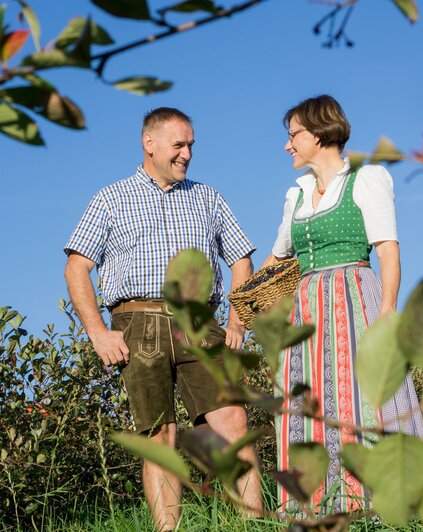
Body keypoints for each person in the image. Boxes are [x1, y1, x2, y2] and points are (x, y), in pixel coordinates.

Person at [63, 107, 263, 530]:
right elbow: (76, 267)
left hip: (199, 322)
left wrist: (237, 323)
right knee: (160, 437)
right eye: (179, 144)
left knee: (235, 423)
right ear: (149, 143)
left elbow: (242, 259)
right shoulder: (111, 197)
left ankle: (253, 525)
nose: (187, 154)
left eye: (191, 145)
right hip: (138, 323)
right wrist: (98, 332)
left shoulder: (208, 197)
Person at [261, 95, 423, 514]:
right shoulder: (295, 195)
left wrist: (387, 311)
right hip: (304, 309)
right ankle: (316, 505)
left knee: (362, 397)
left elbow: (388, 249)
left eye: (293, 135)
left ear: (318, 133)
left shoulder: (366, 179)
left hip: (354, 298)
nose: (287, 146)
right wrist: (240, 303)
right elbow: (276, 258)